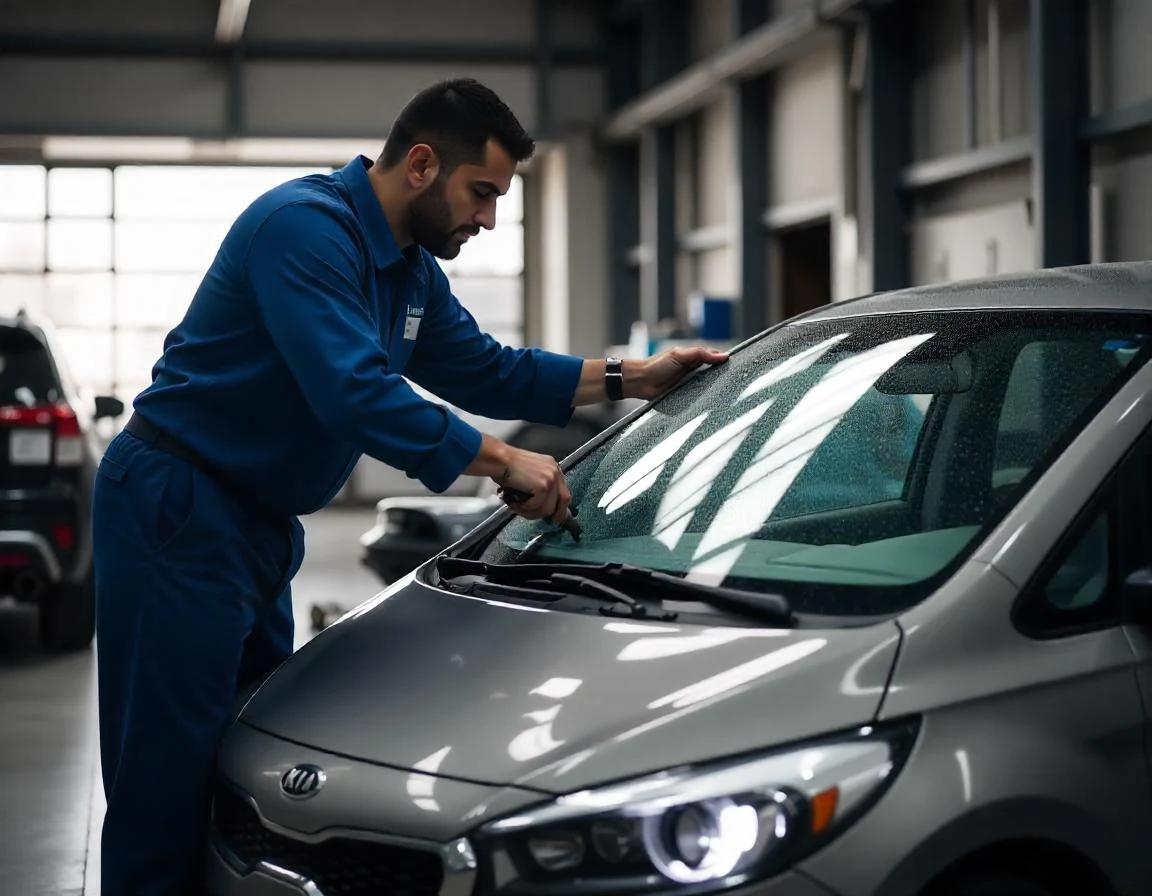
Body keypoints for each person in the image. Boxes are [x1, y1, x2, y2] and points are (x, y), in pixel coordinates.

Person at [91, 77, 728, 895]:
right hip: (178, 505)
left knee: (240, 764)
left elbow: (485, 368)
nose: (489, 219)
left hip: (256, 521)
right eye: (483, 193)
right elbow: (352, 389)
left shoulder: (409, 272)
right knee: (163, 784)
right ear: (422, 164)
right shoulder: (303, 230)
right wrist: (503, 461)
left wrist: (634, 377)